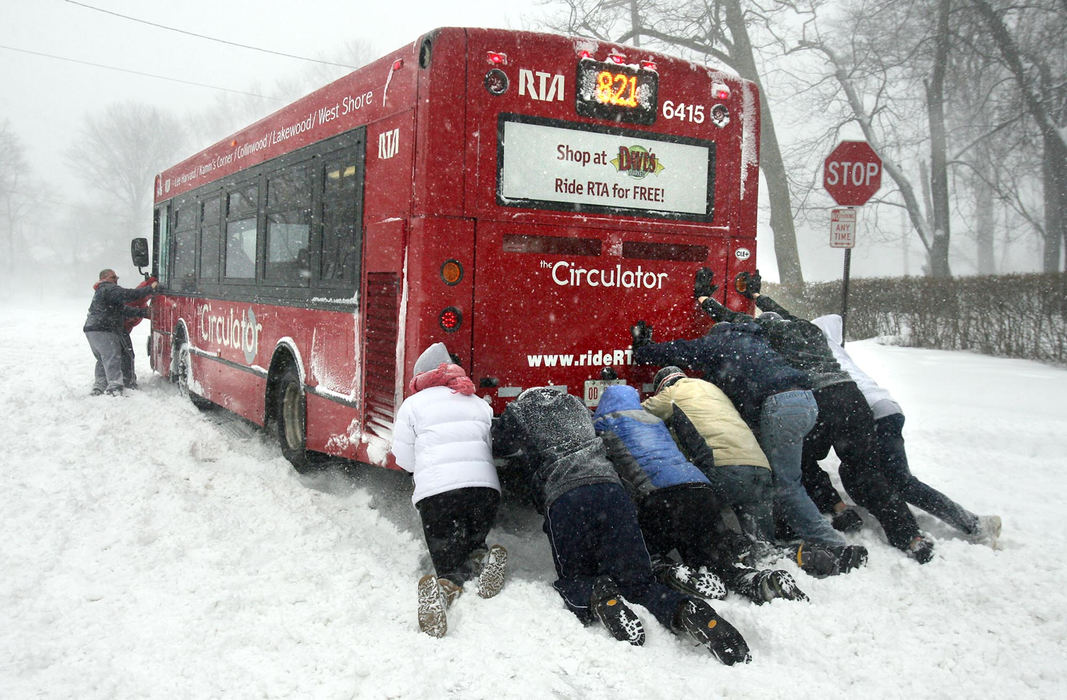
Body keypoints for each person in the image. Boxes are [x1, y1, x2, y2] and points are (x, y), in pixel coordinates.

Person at [493, 386, 750, 664]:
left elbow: (499, 444)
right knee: (640, 582)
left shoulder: (522, 410)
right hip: (612, 492)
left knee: (576, 578)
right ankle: (685, 609)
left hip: (565, 497)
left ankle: (601, 596)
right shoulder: (578, 406)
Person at [697, 269, 935, 564]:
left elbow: (735, 321)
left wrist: (705, 298)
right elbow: (779, 311)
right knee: (868, 472)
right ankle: (911, 538)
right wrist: (756, 295)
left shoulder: (769, 333)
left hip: (820, 402)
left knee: (798, 465)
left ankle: (836, 509)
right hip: (852, 398)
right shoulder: (809, 329)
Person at [630, 269, 857, 549]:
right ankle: (785, 528)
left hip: (781, 405)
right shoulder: (754, 334)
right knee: (782, 472)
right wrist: (704, 299)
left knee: (787, 485)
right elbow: (732, 317)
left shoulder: (718, 343)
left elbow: (680, 350)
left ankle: (833, 544)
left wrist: (643, 351)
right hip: (807, 400)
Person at [592, 383, 809, 605]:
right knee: (709, 553)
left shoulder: (602, 424)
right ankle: (754, 580)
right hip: (702, 490)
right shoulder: (655, 422)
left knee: (646, 555)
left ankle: (674, 573)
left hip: (659, 497)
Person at [811, 314, 1002, 547]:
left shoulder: (811, 352)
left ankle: (973, 525)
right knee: (871, 475)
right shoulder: (831, 346)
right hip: (888, 408)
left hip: (870, 414)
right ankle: (904, 516)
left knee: (897, 480)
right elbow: (834, 318)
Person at [391, 342, 508, 638]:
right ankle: (482, 557)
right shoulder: (478, 402)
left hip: (438, 493)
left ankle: (445, 588)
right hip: (485, 490)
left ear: (421, 377)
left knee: (447, 555)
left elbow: (403, 459)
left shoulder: (413, 406)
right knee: (472, 536)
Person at [640, 366, 777, 545]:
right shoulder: (713, 389)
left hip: (725, 468)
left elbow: (637, 412)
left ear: (662, 387)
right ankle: (771, 565)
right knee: (763, 544)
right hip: (761, 467)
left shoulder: (673, 392)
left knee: (703, 515)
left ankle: (726, 553)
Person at [83, 269, 159, 396]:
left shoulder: (102, 292)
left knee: (102, 359)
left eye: (116, 277)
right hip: (104, 329)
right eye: (113, 277)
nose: (116, 280)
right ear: (104, 278)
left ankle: (99, 386)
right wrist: (150, 288)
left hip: (91, 329)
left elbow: (121, 309)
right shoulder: (108, 288)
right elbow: (128, 294)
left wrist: (142, 313)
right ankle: (115, 387)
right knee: (112, 357)